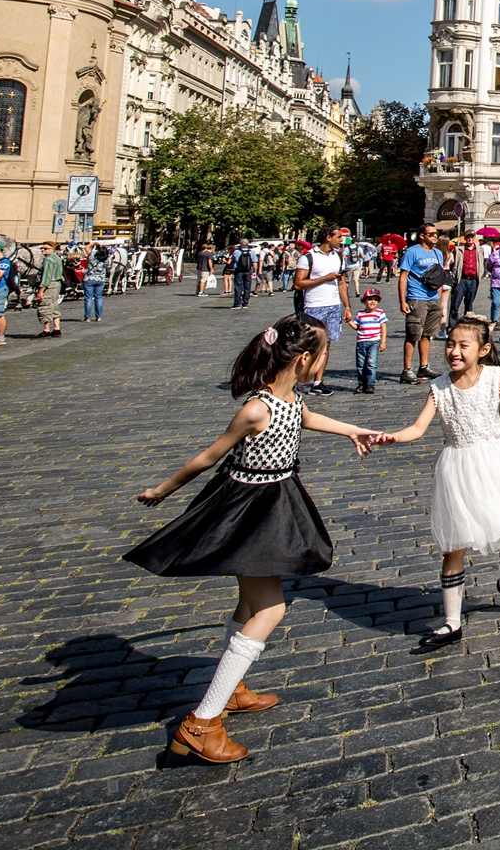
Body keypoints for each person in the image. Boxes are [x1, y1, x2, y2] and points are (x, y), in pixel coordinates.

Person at [123, 315, 386, 763]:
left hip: (276, 498)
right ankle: (202, 723)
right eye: (324, 355)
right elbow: (209, 456)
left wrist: (352, 430)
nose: (324, 363)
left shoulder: (290, 398)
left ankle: (231, 689)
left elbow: (305, 418)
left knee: (248, 606)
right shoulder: (256, 408)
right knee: (271, 607)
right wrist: (163, 491)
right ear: (304, 359)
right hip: (250, 509)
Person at [376, 317, 500, 649]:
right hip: (458, 469)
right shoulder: (439, 388)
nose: (454, 351)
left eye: (463, 345)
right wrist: (392, 437)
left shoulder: (495, 378)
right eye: (450, 344)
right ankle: (451, 621)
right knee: (454, 545)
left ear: (483, 350)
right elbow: (418, 429)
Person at [295, 229, 354, 394]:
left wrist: (347, 307)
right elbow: (298, 284)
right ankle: (295, 380)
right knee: (307, 345)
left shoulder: (338, 257)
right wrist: (324, 279)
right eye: (339, 237)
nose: (341, 240)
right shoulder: (308, 257)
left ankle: (317, 382)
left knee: (326, 345)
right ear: (328, 238)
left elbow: (341, 283)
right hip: (313, 306)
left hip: (333, 306)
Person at [399, 223, 445, 384]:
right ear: (422, 236)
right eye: (431, 234)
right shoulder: (412, 252)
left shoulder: (438, 253)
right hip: (416, 297)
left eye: (436, 233)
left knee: (428, 334)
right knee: (413, 335)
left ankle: (423, 366)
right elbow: (403, 276)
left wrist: (439, 301)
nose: (435, 236)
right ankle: (407, 370)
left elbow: (438, 277)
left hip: (433, 299)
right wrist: (402, 301)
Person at [351, 288, 388, 393]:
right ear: (364, 301)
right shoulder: (360, 314)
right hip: (361, 342)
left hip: (374, 342)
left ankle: (370, 384)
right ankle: (361, 383)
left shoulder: (380, 313)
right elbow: (357, 327)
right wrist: (349, 322)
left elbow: (383, 327)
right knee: (360, 364)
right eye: (370, 299)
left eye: (375, 299)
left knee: (371, 363)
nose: (372, 302)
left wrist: (383, 341)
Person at [33, 241, 66, 336]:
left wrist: (40, 291)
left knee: (45, 305)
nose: (43, 250)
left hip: (50, 284)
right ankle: (56, 328)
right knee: (54, 305)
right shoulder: (57, 258)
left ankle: (46, 330)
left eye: (46, 248)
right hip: (57, 284)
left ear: (52, 249)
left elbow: (46, 277)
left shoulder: (49, 260)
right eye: (42, 248)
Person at [449, 232, 482, 326]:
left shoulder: (479, 250)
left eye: (472, 237)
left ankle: (466, 325)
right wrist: (454, 275)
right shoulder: (458, 249)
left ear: (474, 238)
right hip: (461, 279)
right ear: (465, 238)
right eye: (468, 237)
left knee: (469, 304)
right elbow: (453, 264)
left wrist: (480, 273)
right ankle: (452, 325)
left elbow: (481, 263)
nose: (470, 239)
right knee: (455, 303)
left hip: (473, 279)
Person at [83, 245, 108, 322]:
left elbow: (86, 247)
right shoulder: (107, 259)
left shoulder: (92, 256)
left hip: (89, 279)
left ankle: (87, 317)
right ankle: (99, 317)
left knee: (88, 298)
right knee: (98, 298)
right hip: (100, 280)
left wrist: (94, 243)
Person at [230, 239, 256, 309]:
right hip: (248, 270)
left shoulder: (236, 252)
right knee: (247, 287)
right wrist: (254, 272)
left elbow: (232, 260)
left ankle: (237, 303)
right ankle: (245, 303)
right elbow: (254, 263)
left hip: (239, 270)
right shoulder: (251, 252)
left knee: (238, 287)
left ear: (241, 244)